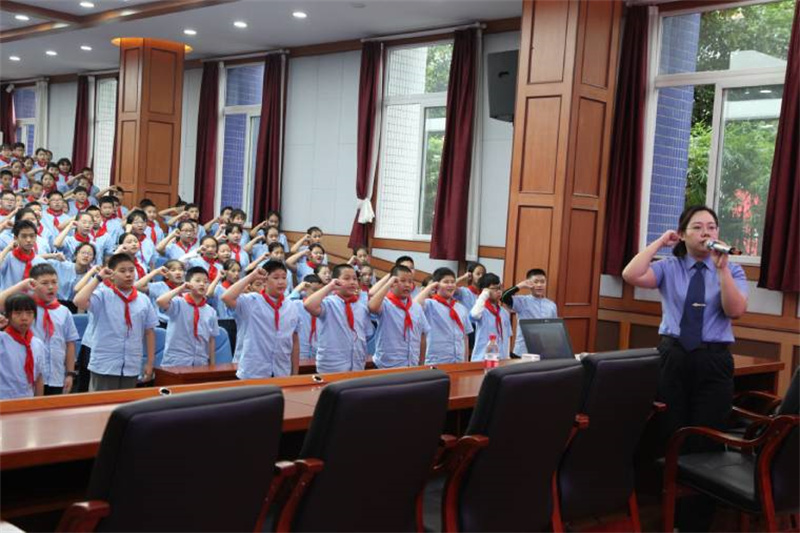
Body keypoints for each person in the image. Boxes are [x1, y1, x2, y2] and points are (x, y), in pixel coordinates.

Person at [622, 205, 749, 531]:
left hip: (714, 359)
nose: (707, 233)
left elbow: (735, 311)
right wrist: (659, 242)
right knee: (671, 433)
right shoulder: (670, 267)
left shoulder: (732, 271)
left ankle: (697, 522)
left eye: (712, 227)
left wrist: (722, 270)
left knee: (707, 439)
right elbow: (631, 275)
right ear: (683, 234)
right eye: (698, 227)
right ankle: (672, 518)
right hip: (673, 356)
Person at [73, 253, 158, 391]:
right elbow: (78, 301)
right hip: (105, 364)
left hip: (131, 364)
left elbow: (149, 332)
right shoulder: (103, 295)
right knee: (101, 402)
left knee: (126, 402)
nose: (128, 275)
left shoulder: (143, 300)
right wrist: (98, 278)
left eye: (131, 270)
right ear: (112, 275)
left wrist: (150, 362)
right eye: (122, 271)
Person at [0, 265, 79, 394]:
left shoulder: (64, 311)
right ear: (34, 285)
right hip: (29, 378)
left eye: (54, 282)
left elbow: (69, 343)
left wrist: (70, 373)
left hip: (57, 376)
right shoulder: (26, 309)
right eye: (44, 283)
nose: (50, 287)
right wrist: (22, 285)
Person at [222, 261, 301, 378]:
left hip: (282, 371)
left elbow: (294, 341)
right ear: (264, 281)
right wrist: (251, 276)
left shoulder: (292, 306)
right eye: (276, 278)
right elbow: (226, 297)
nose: (281, 282)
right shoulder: (251, 301)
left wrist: (295, 373)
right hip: (253, 372)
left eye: (284, 278)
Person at [304, 263, 374, 373]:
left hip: (357, 365)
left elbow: (367, 334)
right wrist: (330, 286)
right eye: (346, 278)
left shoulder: (361, 307)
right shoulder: (329, 303)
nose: (352, 282)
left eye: (355, 279)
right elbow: (308, 305)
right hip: (332, 366)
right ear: (335, 281)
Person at [368, 265, 430, 368]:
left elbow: (423, 335)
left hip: (412, 365)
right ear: (393, 283)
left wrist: (421, 362)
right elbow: (372, 307)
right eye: (403, 281)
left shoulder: (416, 307)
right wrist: (388, 283)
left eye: (410, 281)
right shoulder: (385, 303)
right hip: (387, 366)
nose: (407, 285)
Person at [157, 266, 219, 368]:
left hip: (201, 361)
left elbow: (211, 339)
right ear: (188, 283)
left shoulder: (211, 311)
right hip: (177, 361)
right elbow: (160, 301)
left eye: (206, 282)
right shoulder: (178, 303)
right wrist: (181, 288)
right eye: (197, 281)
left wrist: (212, 364)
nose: (202, 284)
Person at [415, 267, 473, 364]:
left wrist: (465, 361)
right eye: (446, 282)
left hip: (458, 361)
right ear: (437, 285)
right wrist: (431, 286)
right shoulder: (430, 304)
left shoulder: (461, 308)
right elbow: (414, 305)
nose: (450, 285)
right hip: (436, 361)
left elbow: (465, 337)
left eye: (453, 282)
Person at [501, 268, 558, 356]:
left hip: (544, 350)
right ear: (529, 283)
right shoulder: (522, 301)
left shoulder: (551, 305)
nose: (539, 285)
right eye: (535, 282)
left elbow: (554, 328)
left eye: (542, 282)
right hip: (523, 350)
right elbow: (504, 297)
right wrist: (520, 286)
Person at [0, 293, 45, 399]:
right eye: (18, 313)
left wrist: (38, 403)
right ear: (8, 315)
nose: (24, 318)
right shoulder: (2, 339)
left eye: (29, 313)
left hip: (27, 400)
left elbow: (38, 377)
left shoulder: (37, 343)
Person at [470, 273, 512, 361]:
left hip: (501, 359)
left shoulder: (504, 312)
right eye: (494, 289)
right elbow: (474, 315)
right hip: (482, 359)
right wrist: (484, 295)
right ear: (485, 290)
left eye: (500, 288)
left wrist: (507, 356)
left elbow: (507, 337)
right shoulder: (481, 310)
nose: (499, 291)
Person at [0, 220, 47, 289]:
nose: (28, 240)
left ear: (36, 237)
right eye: (24, 236)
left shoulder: (41, 262)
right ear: (15, 238)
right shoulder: (8, 257)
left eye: (32, 236)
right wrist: (8, 248)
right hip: (9, 295)